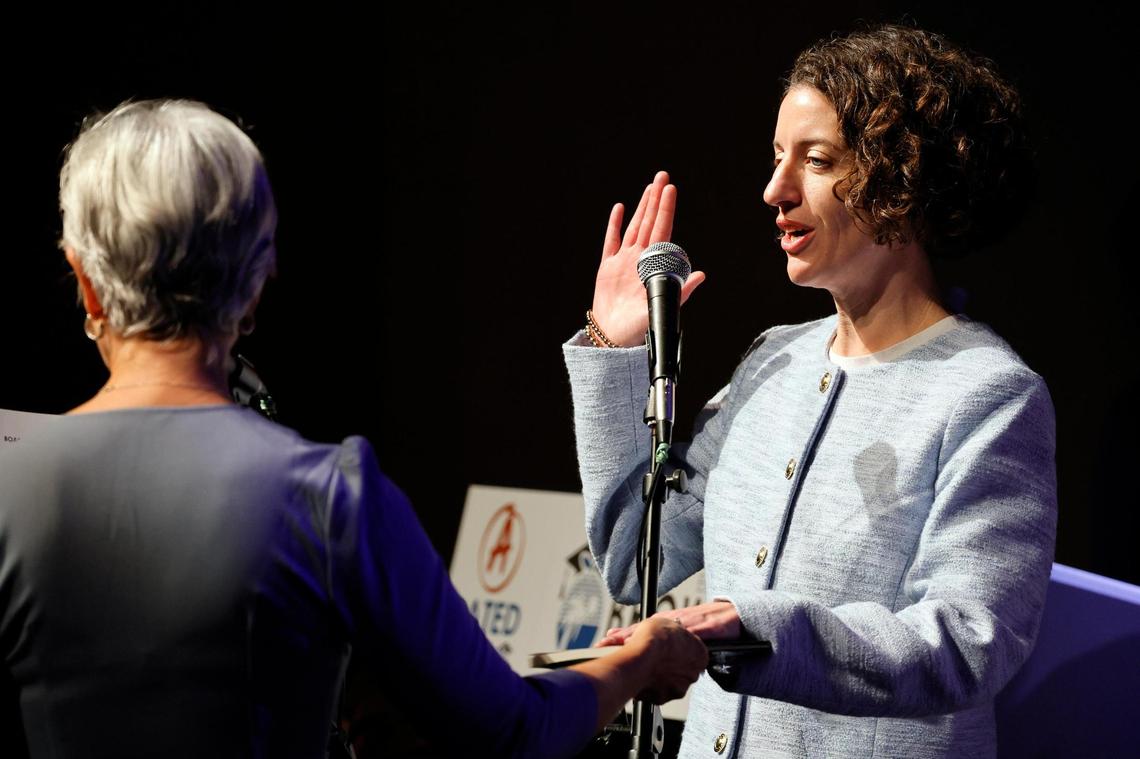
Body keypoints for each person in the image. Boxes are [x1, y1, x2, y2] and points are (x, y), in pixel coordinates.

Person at [0, 99, 708, 759]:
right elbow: (518, 728)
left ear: (85, 282)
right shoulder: (329, 496)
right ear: (256, 279)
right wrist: (640, 655)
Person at [564, 25, 1056, 759]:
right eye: (776, 158)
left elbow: (966, 639)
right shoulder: (774, 360)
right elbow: (640, 558)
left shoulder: (989, 394)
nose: (775, 190)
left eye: (816, 160)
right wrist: (616, 346)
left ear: (904, 178)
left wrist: (751, 625)